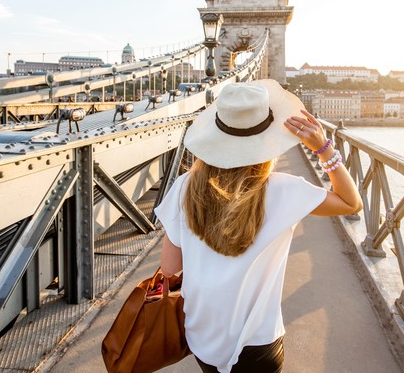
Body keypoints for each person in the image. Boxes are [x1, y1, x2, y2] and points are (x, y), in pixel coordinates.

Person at [154, 79, 361, 373]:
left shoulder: (185, 187)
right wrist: (324, 149)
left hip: (201, 335)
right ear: (269, 139)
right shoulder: (285, 190)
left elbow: (169, 267)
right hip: (258, 342)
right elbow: (350, 203)